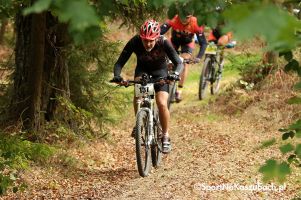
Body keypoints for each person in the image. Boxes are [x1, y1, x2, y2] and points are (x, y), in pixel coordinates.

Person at [112, 19, 183, 154]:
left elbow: (179, 63)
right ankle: (139, 122)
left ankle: (165, 134)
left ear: (157, 37)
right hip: (142, 72)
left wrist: (174, 74)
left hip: (161, 73)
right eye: (145, 40)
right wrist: (117, 76)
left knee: (161, 103)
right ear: (141, 37)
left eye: (151, 40)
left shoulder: (163, 41)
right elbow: (119, 63)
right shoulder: (135, 41)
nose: (148, 43)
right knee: (139, 96)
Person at [160, 13, 207, 102]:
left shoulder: (195, 22)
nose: (184, 19)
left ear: (191, 17)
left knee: (184, 63)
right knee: (168, 61)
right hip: (174, 41)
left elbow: (203, 43)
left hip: (187, 43)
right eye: (182, 16)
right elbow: (160, 31)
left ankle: (179, 91)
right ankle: (165, 81)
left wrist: (198, 57)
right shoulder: (174, 18)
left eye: (187, 17)